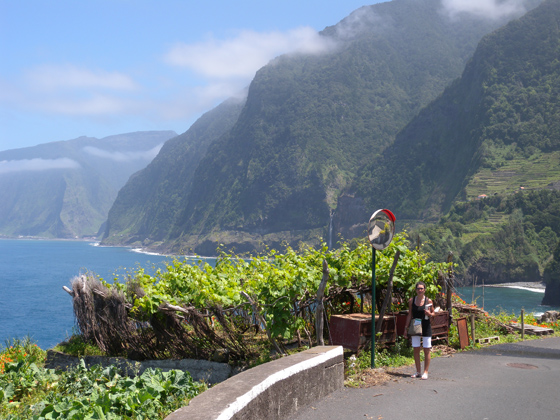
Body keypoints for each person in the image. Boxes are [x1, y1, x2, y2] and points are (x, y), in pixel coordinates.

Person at [403, 281, 434, 380]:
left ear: (424, 290)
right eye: (418, 288)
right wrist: (406, 328)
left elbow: (434, 314)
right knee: (416, 349)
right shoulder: (412, 301)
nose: (420, 290)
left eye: (421, 288)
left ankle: (425, 371)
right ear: (416, 290)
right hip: (415, 326)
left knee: (426, 349)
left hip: (426, 326)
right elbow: (409, 314)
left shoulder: (429, 301)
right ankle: (418, 371)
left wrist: (429, 314)